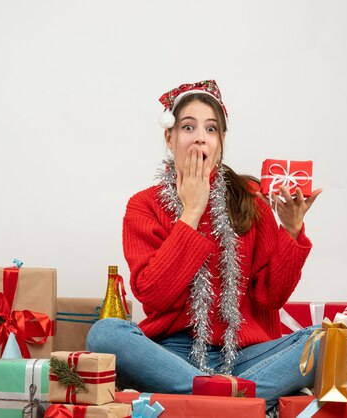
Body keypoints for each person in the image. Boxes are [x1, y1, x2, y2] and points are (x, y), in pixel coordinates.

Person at [87, 79, 322, 410]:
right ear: (169, 138)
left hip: (243, 355)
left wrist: (292, 229)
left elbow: (270, 297)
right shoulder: (143, 206)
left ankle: (207, 402)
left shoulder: (250, 199)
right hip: (170, 355)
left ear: (220, 141)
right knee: (105, 335)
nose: (200, 136)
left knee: (324, 340)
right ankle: (235, 403)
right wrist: (192, 213)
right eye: (188, 126)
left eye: (211, 129)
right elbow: (153, 294)